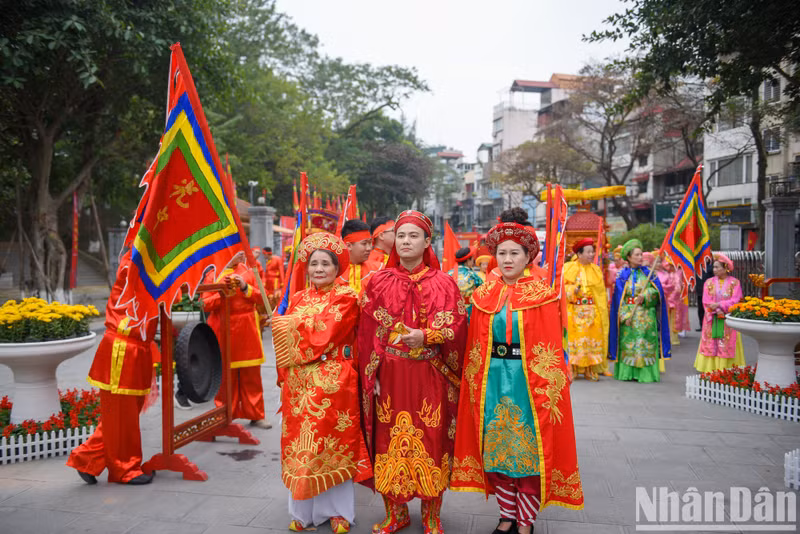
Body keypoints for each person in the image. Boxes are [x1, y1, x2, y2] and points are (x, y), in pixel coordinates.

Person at [452, 215, 584, 534]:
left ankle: (525, 521)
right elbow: (474, 343)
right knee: (496, 447)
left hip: (527, 382)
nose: (507, 259)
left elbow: (549, 347)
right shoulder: (483, 295)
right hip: (492, 380)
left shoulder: (542, 294)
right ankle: (506, 515)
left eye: (515, 253)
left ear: (528, 258)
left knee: (528, 451)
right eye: (502, 253)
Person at [359, 210, 467, 534]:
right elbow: (365, 330)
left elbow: (459, 325)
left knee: (432, 440)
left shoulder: (444, 283)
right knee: (388, 440)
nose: (406, 241)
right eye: (401, 235)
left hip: (429, 375)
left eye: (413, 236)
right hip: (390, 376)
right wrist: (371, 374)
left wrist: (427, 336)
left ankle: (432, 516)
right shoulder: (378, 282)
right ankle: (396, 514)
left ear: (426, 241)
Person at [272, 232, 372, 533]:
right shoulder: (299, 298)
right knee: (301, 448)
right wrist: (283, 327)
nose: (318, 269)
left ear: (336, 267)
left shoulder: (347, 297)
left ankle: (339, 512)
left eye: (325, 264)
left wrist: (283, 325)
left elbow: (324, 333)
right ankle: (303, 513)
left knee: (333, 446)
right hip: (300, 383)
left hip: (333, 382)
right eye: (313, 263)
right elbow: (291, 337)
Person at [67, 251, 157, 485]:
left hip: (137, 347)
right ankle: (124, 469)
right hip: (123, 348)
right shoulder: (134, 263)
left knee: (124, 414)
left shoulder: (147, 262)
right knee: (122, 414)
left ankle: (87, 459)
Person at [201, 252, 271, 429]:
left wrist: (245, 287)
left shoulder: (249, 271)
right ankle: (224, 415)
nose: (241, 255)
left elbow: (262, 298)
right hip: (221, 327)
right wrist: (223, 293)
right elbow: (206, 304)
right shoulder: (213, 274)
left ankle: (256, 414)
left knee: (251, 374)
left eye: (241, 252)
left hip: (247, 326)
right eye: (237, 252)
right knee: (224, 375)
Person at [608, 239, 671, 383]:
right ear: (628, 257)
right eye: (636, 255)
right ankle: (627, 373)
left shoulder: (650, 274)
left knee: (645, 344)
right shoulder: (621, 276)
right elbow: (618, 300)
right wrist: (625, 316)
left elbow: (658, 294)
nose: (640, 257)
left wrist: (647, 294)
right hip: (629, 317)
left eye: (641, 254)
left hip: (647, 316)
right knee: (628, 345)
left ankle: (646, 374)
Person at [563, 238, 609, 381]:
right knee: (575, 341)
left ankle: (590, 369)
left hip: (591, 311)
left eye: (592, 251)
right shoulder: (568, 268)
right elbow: (561, 289)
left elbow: (600, 293)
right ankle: (574, 369)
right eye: (588, 252)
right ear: (579, 253)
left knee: (592, 340)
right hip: (575, 311)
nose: (591, 254)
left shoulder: (595, 270)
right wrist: (573, 290)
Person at [694, 254, 746, 372]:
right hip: (712, 318)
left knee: (726, 342)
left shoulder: (735, 283)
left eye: (717, 267)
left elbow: (736, 300)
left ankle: (726, 368)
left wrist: (720, 305)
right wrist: (716, 310)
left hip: (727, 320)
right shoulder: (708, 282)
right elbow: (706, 301)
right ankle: (710, 368)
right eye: (714, 267)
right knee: (711, 342)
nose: (714, 270)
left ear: (726, 268)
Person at [338, 219, 383, 295]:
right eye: (364, 243)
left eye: (370, 243)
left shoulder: (379, 270)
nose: (369, 248)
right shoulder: (335, 273)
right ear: (349, 246)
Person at [447, 246, 484, 311]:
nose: (473, 262)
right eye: (472, 259)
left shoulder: (448, 274)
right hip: (469, 311)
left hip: (452, 310)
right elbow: (483, 291)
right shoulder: (473, 275)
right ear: (468, 260)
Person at [695, 262, 714, 331]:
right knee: (700, 310)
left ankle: (709, 325)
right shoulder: (698, 266)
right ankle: (702, 326)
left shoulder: (711, 266)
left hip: (709, 292)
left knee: (709, 309)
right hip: (700, 290)